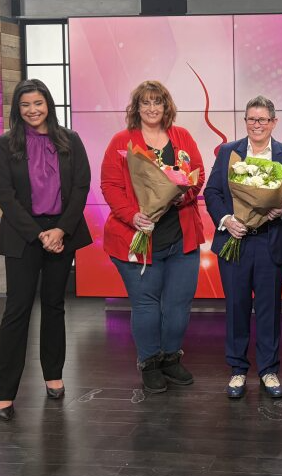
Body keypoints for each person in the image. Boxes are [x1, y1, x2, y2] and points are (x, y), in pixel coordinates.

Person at [0, 79, 92, 421]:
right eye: (25, 105)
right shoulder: (5, 144)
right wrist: (40, 235)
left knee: (54, 306)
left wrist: (61, 229)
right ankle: (3, 393)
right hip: (23, 235)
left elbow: (81, 186)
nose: (33, 110)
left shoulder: (70, 140)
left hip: (63, 231)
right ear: (17, 109)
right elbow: (5, 195)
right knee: (16, 310)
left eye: (38, 103)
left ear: (48, 103)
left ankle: (54, 375)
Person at [100, 80, 206, 393]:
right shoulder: (121, 141)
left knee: (178, 305)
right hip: (137, 236)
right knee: (146, 305)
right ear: (137, 108)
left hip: (180, 237)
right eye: (145, 103)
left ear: (166, 107)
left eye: (157, 102)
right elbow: (110, 186)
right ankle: (149, 362)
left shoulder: (182, 136)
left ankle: (171, 358)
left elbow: (196, 176)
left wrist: (180, 198)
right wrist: (131, 215)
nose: (151, 108)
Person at [204, 96, 282, 399]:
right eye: (251, 119)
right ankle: (237, 370)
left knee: (268, 308)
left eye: (262, 119)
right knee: (235, 307)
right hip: (235, 239)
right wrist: (225, 219)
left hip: (271, 240)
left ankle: (268, 370)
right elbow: (212, 191)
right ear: (245, 121)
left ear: (274, 122)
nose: (256, 125)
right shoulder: (228, 152)